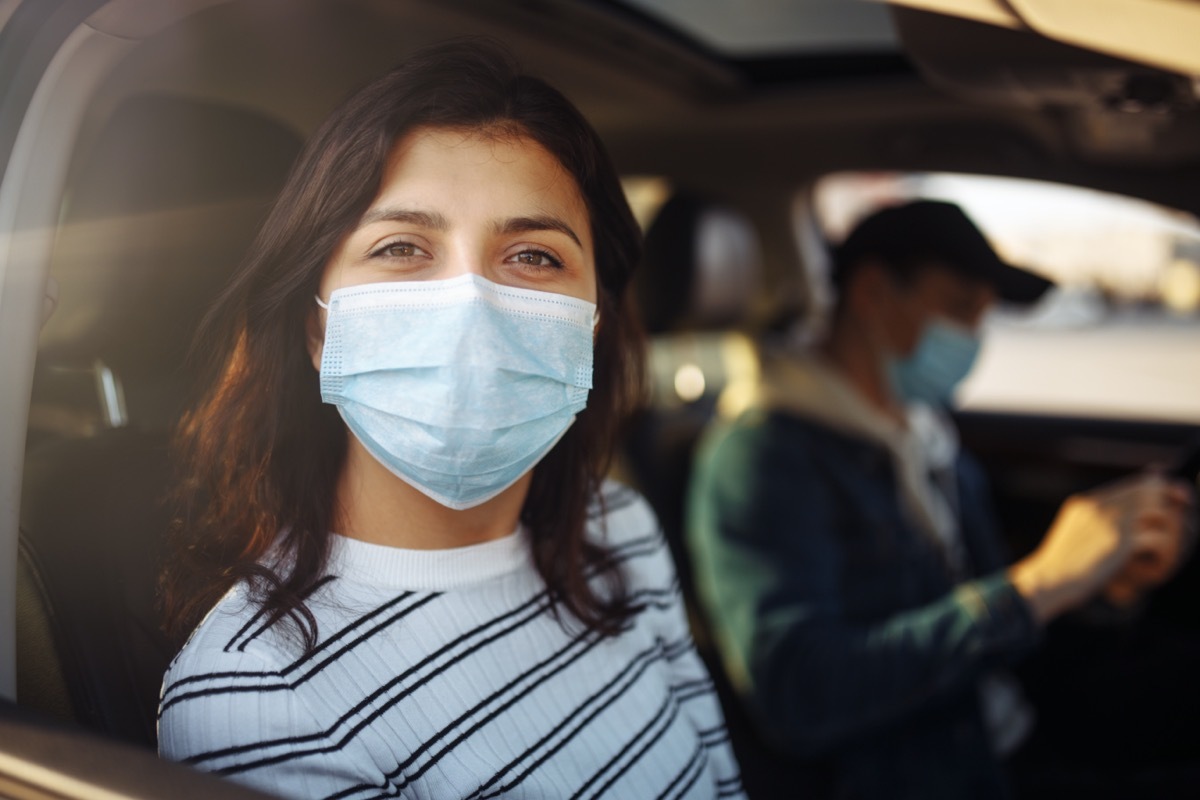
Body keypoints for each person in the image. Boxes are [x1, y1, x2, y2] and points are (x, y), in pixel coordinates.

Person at [157, 41, 744, 800]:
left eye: (533, 256)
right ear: (317, 327)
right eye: (401, 247)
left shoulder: (618, 531)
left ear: (592, 324)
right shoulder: (253, 698)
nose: (472, 305)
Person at [686, 200, 1195, 799]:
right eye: (959, 308)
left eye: (982, 316)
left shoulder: (922, 434)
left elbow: (984, 593)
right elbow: (800, 695)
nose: (972, 338)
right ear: (873, 292)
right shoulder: (765, 456)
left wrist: (1103, 585)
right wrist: (1038, 588)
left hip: (1006, 726)